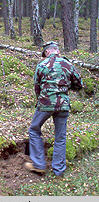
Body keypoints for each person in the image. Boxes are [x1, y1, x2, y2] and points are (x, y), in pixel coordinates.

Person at [24, 41, 83, 177]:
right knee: (60, 137)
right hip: (63, 104)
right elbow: (79, 84)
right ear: (57, 50)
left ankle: (39, 165)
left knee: (34, 129)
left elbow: (37, 87)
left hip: (45, 103)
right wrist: (65, 89)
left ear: (47, 52)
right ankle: (59, 171)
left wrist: (42, 99)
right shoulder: (68, 64)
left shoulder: (41, 65)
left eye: (44, 53)